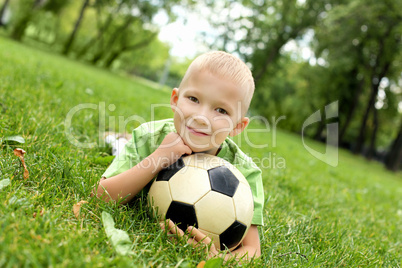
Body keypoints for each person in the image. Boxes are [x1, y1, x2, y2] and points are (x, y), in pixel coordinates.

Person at [94, 51, 264, 262]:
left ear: (238, 126)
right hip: (147, 150)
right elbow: (101, 197)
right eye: (193, 99)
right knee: (121, 149)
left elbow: (252, 251)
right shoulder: (149, 139)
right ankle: (119, 139)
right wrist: (158, 157)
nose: (201, 118)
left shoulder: (245, 174)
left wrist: (216, 259)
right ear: (175, 99)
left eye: (221, 110)